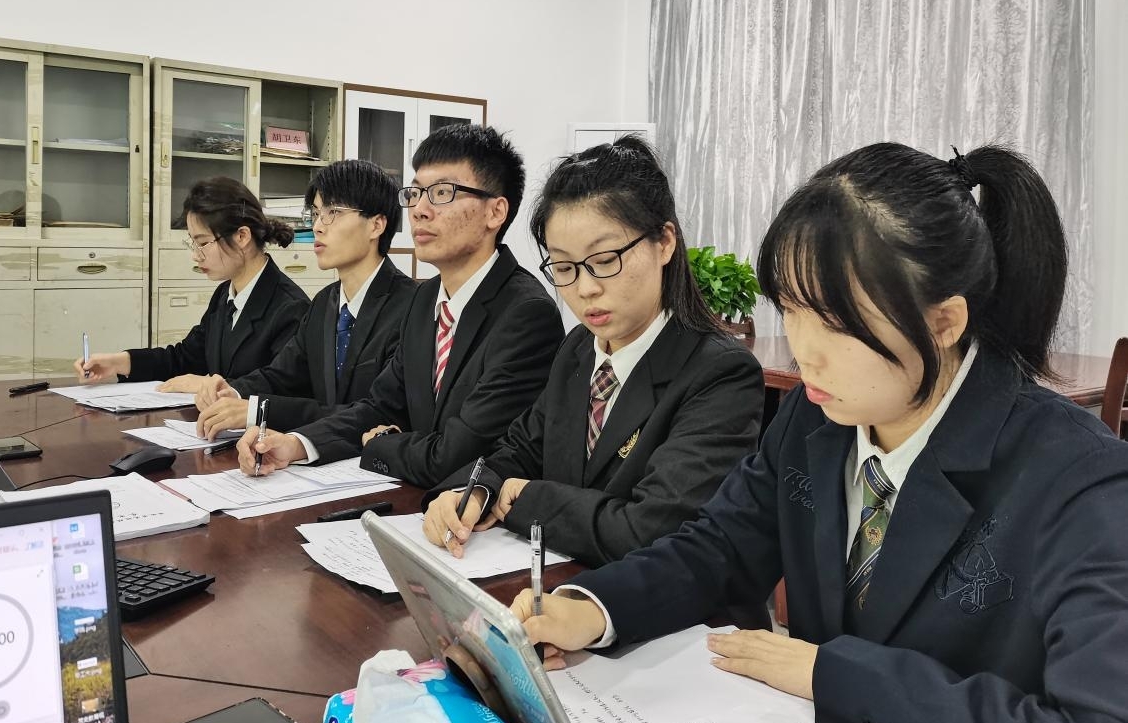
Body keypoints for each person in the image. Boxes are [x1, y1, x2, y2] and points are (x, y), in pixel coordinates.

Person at [512, 142, 1128, 721]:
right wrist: (595, 608)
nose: (804, 352)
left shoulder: (1080, 479)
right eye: (790, 310)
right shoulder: (818, 418)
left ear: (943, 322)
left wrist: (833, 673)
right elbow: (720, 547)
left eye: (834, 321)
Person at [420, 136, 765, 570]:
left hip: (656, 606)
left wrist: (527, 498)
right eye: (564, 268)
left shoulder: (720, 373)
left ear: (664, 242)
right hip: (556, 580)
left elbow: (650, 530)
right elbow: (521, 448)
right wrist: (473, 491)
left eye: (604, 261)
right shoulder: (578, 349)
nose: (585, 289)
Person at [237, 124, 564, 489]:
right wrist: (296, 444)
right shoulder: (426, 299)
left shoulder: (526, 314)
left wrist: (381, 444)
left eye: (442, 193)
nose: (419, 210)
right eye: (416, 193)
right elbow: (379, 406)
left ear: (495, 212)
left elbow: (458, 456)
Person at [193, 160, 417, 438]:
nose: (318, 227)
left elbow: (374, 413)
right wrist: (233, 391)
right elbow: (283, 374)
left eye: (333, 212)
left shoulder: (411, 307)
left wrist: (259, 410)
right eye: (316, 213)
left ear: (376, 225)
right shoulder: (324, 303)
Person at [75, 177, 308, 391]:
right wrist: (119, 363)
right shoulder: (225, 295)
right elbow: (185, 358)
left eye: (203, 243)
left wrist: (208, 385)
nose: (196, 256)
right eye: (193, 244)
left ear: (242, 236)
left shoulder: (291, 308)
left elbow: (281, 389)